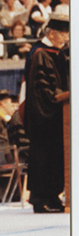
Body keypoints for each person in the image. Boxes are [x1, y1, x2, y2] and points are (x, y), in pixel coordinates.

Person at [23, 13, 69, 213]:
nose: (67, 38)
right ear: (52, 33)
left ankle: (52, 197)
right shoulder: (40, 53)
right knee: (44, 158)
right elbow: (43, 91)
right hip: (44, 117)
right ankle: (41, 199)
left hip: (57, 115)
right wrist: (60, 97)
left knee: (54, 157)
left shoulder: (55, 52)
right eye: (64, 34)